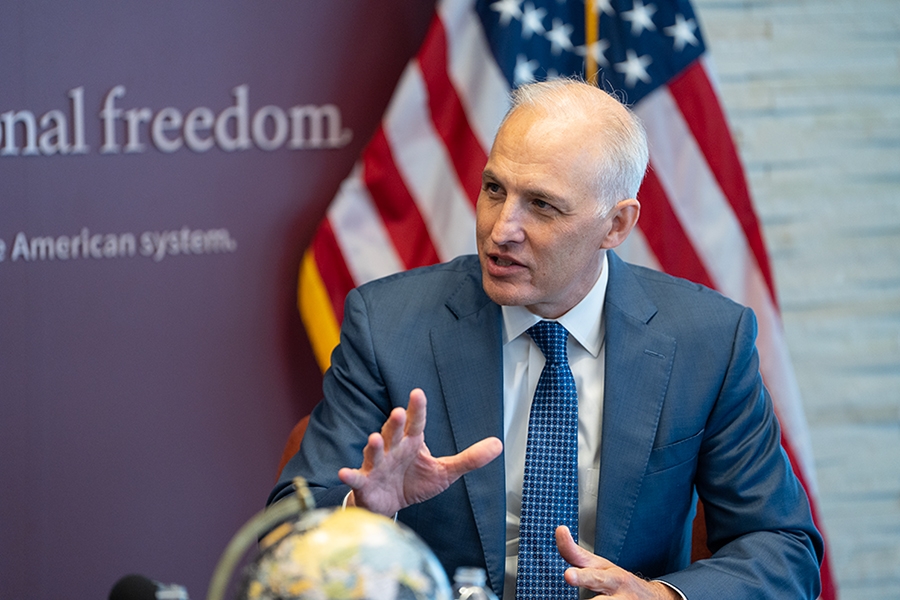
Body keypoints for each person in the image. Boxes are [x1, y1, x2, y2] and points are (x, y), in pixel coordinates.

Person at [270, 79, 824, 600]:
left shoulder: (707, 341)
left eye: (541, 205)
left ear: (616, 225)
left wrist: (661, 595)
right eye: (494, 189)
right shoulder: (390, 324)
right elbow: (291, 524)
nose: (500, 229)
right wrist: (361, 515)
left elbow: (782, 545)